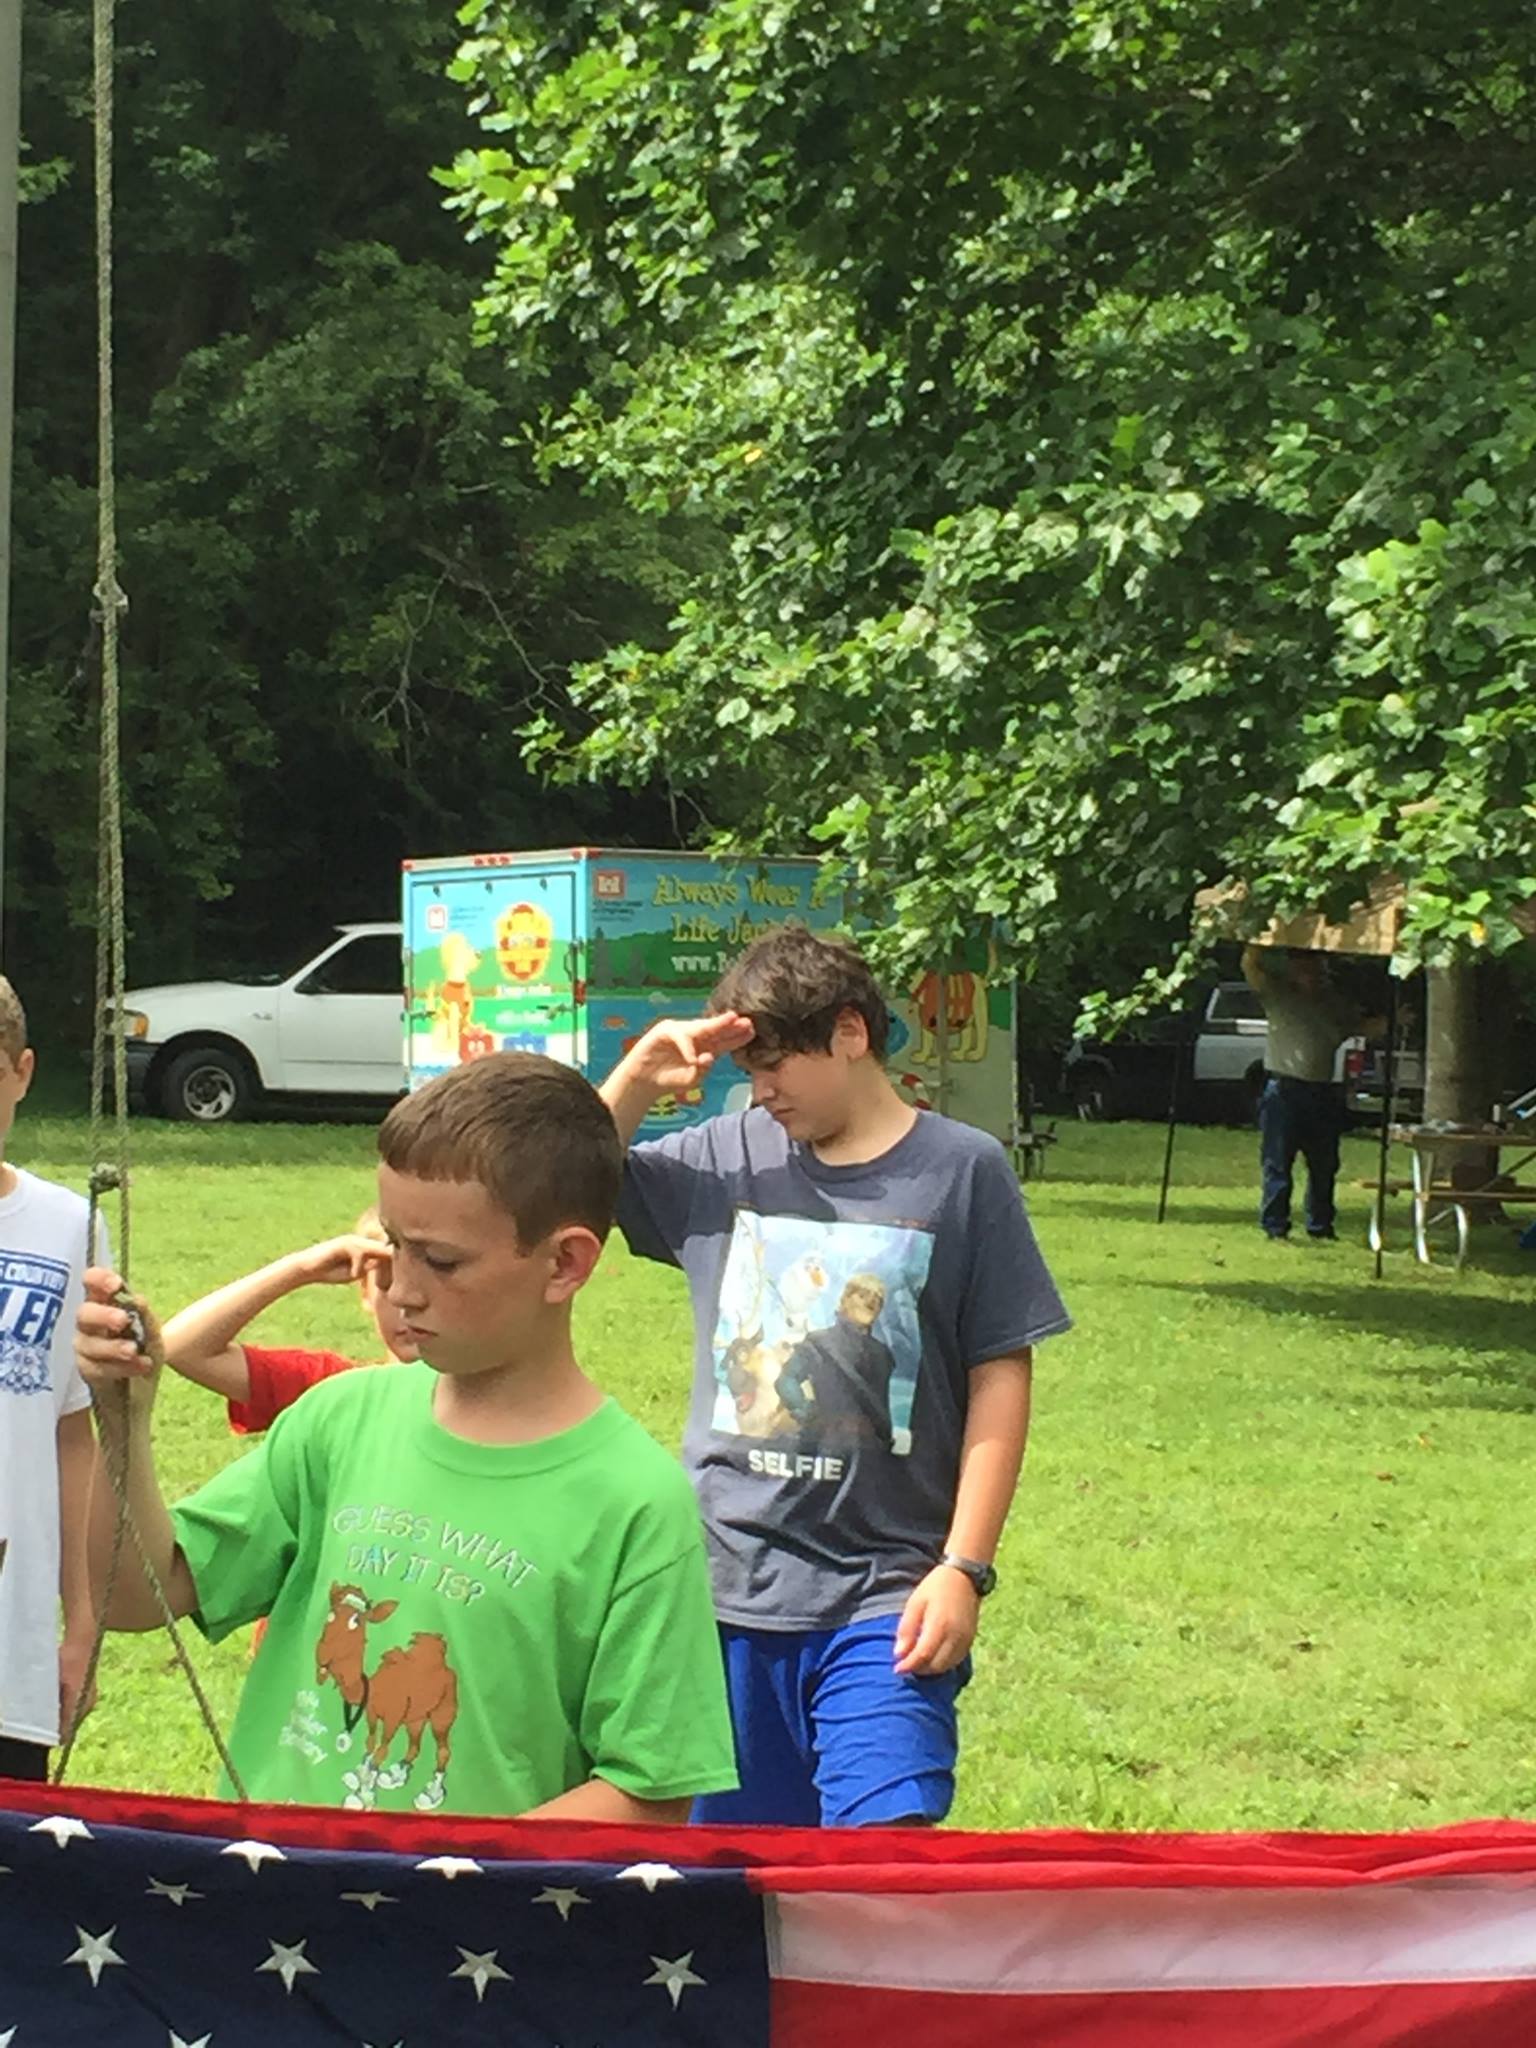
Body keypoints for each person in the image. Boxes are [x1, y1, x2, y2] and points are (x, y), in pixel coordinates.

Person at [73, 1051, 736, 1819]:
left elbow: (651, 1794)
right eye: (393, 1246)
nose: (401, 1290)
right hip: (273, 1890)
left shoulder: (637, 1503)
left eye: (441, 1262)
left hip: (461, 1903)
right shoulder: (340, 1418)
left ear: (565, 1263)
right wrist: (122, 1422)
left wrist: (431, 1873)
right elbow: (136, 1596)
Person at [601, 924, 1070, 1827]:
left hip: (887, 1599)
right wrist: (635, 1080)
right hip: (719, 1594)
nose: (760, 1090)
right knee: (730, 1877)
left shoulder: (961, 1171)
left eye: (776, 1064)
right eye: (749, 1069)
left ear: (850, 1032)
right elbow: (554, 1184)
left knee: (884, 1851)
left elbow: (1000, 1373)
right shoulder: (723, 1156)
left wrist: (964, 1567)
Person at [0, 975, 100, 1782]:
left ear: (23, 1073)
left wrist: (83, 1621)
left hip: (13, 1641)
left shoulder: (69, 1226)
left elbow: (74, 1432)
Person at [161, 1207, 417, 1437]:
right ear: (365, 1294)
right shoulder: (335, 1391)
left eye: (425, 1286)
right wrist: (302, 1268)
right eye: (388, 1284)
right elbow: (181, 1348)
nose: (407, 1303)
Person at [1242, 945, 1383, 1242]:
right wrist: (1257, 939)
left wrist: (1392, 1021)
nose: (1313, 973)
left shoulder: (1333, 1004)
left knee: (1324, 1164)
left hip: (1322, 1091)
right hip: (1283, 1089)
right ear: (1292, 969)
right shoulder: (1278, 994)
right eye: (1305, 967)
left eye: (1317, 967)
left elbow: (1362, 1028)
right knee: (1278, 1161)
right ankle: (1275, 1226)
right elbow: (1251, 966)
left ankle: (1320, 1226)